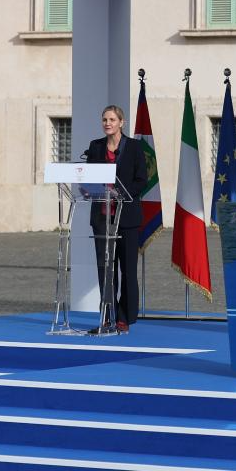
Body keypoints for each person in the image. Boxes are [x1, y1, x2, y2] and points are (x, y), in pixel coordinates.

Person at [84, 104, 148, 334]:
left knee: (127, 270)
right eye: (105, 119)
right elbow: (89, 177)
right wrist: (87, 189)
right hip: (102, 218)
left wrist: (121, 193)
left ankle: (124, 318)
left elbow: (142, 180)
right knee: (105, 270)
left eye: (112, 119)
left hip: (127, 218)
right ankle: (107, 317)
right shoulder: (95, 146)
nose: (107, 123)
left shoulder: (134, 147)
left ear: (122, 122)